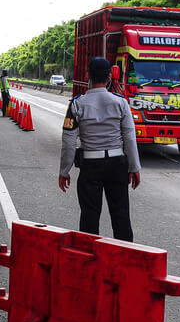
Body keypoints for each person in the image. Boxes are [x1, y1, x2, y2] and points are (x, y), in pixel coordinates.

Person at [57, 56, 141, 240]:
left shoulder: (77, 104)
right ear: (109, 77)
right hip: (117, 165)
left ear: (88, 76)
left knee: (89, 218)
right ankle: (125, 261)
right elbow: (129, 137)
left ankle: (90, 263)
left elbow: (69, 141)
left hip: (90, 166)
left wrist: (65, 171)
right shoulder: (121, 102)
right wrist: (134, 168)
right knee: (121, 217)